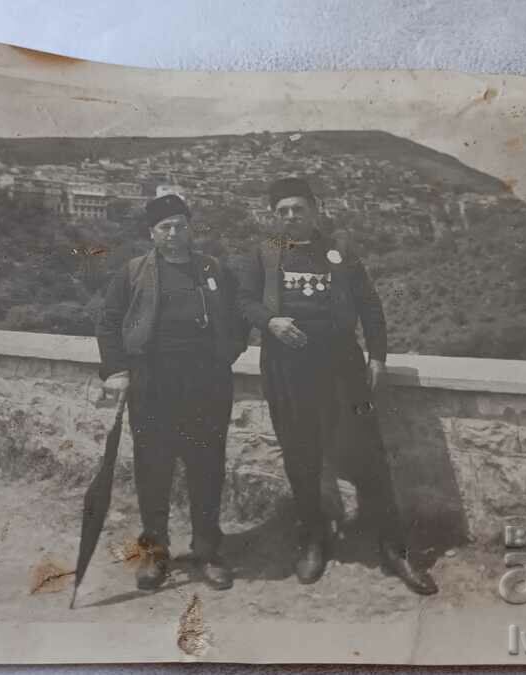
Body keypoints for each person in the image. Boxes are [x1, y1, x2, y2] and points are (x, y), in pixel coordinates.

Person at [236, 177, 438, 595]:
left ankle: (394, 547)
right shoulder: (264, 253)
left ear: (315, 209)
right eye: (283, 211)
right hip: (286, 369)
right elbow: (243, 300)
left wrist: (377, 356)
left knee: (368, 456)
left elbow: (370, 304)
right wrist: (269, 321)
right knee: (300, 456)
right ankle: (313, 540)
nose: (291, 216)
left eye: (298, 208)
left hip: (341, 366)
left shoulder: (340, 251)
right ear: (274, 216)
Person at [96, 194, 244, 592]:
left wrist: (223, 356)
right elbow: (108, 323)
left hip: (206, 385)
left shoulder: (215, 271)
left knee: (206, 470)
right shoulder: (132, 273)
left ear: (191, 228)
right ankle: (155, 553)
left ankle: (208, 551)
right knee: (153, 471)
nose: (174, 234)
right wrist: (117, 371)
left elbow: (239, 320)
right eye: (165, 227)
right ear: (152, 232)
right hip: (152, 385)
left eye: (181, 225)